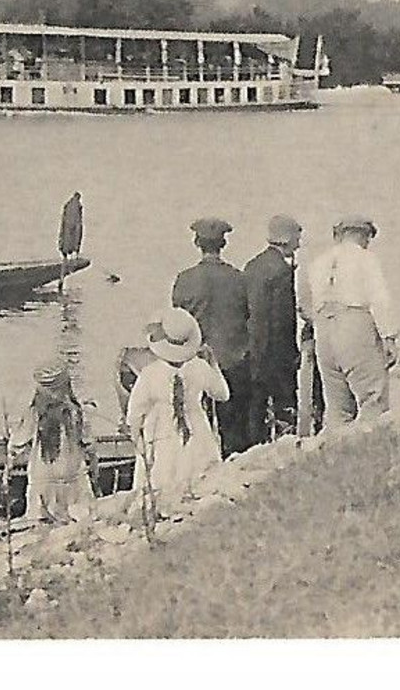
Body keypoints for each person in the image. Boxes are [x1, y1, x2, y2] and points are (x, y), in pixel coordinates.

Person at [125, 307, 230, 506]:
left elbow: (134, 415)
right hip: (197, 434)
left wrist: (139, 446)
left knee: (160, 486)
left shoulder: (149, 374)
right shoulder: (199, 367)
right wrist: (213, 364)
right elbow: (222, 395)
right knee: (198, 481)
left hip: (161, 437)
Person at [303, 215, 396, 426]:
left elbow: (304, 302)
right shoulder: (365, 259)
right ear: (363, 235)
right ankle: (372, 449)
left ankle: (338, 451)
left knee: (337, 405)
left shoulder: (319, 262)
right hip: (354, 323)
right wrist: (389, 337)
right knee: (373, 397)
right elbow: (379, 299)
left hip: (324, 329)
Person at [171, 218, 253, 456]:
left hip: (198, 363)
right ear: (223, 243)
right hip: (235, 362)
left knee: (197, 429)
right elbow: (249, 316)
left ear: (197, 243)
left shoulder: (185, 279)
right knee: (236, 432)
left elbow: (179, 324)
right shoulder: (239, 278)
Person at [7, 360, 97, 523]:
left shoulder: (34, 412)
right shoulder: (76, 412)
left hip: (43, 481)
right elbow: (89, 444)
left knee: (40, 523)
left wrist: (9, 466)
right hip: (73, 479)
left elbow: (17, 444)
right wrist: (94, 468)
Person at [243, 214, 305, 442]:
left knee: (256, 412)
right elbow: (283, 321)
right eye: (298, 236)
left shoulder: (253, 266)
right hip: (276, 355)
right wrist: (293, 355)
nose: (299, 242)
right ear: (287, 238)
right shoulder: (281, 271)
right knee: (285, 411)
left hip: (253, 351)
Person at [59, 192, 84, 260]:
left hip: (67, 225)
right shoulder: (77, 205)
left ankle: (66, 254)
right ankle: (73, 254)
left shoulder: (68, 204)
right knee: (74, 237)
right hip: (74, 225)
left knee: (66, 237)